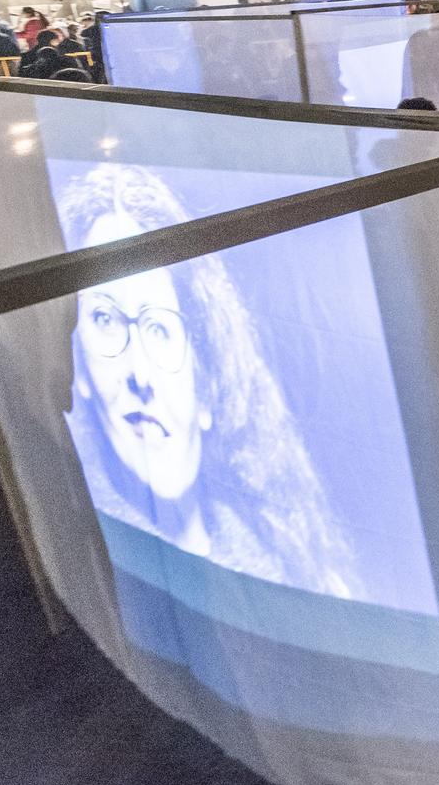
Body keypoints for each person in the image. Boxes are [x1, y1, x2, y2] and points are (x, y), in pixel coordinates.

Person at [60, 164, 357, 597]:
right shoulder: (78, 554)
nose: (139, 373)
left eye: (159, 328)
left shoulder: (297, 571)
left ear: (207, 386)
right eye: (105, 318)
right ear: (78, 365)